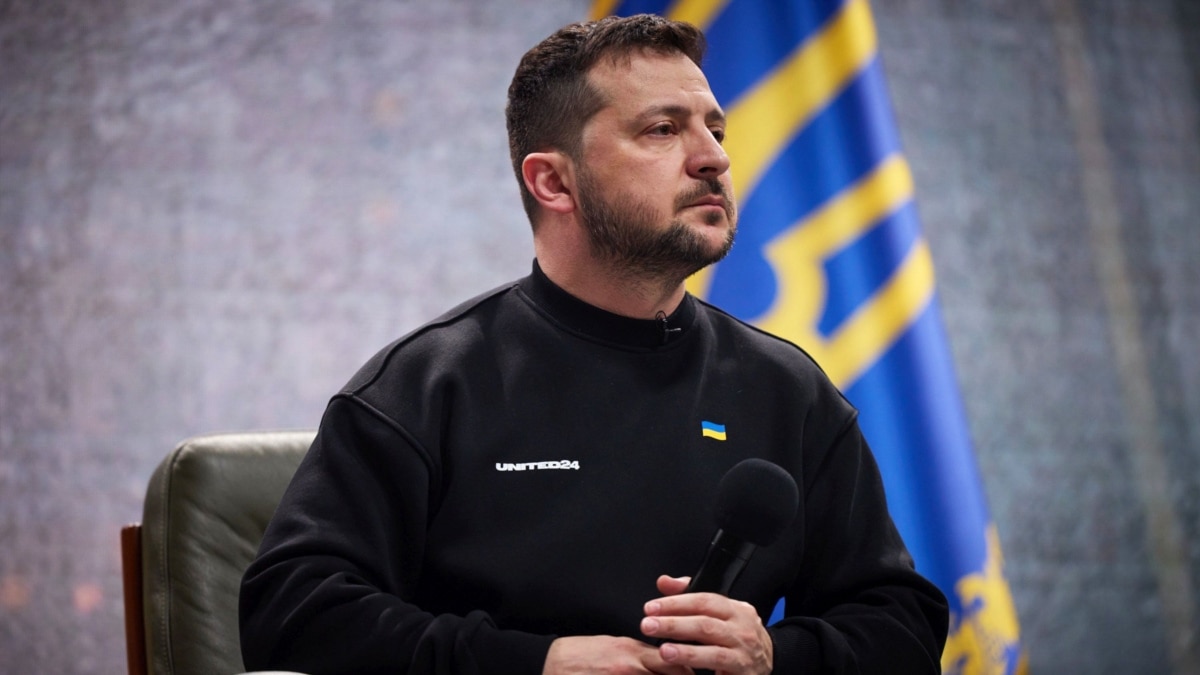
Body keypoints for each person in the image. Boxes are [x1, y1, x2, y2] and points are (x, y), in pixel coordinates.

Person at [240, 14, 948, 675]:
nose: (713, 159)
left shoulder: (786, 389)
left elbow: (901, 621)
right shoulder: (426, 385)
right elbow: (291, 612)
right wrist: (534, 663)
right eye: (663, 130)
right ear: (554, 181)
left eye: (716, 130)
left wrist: (772, 655)